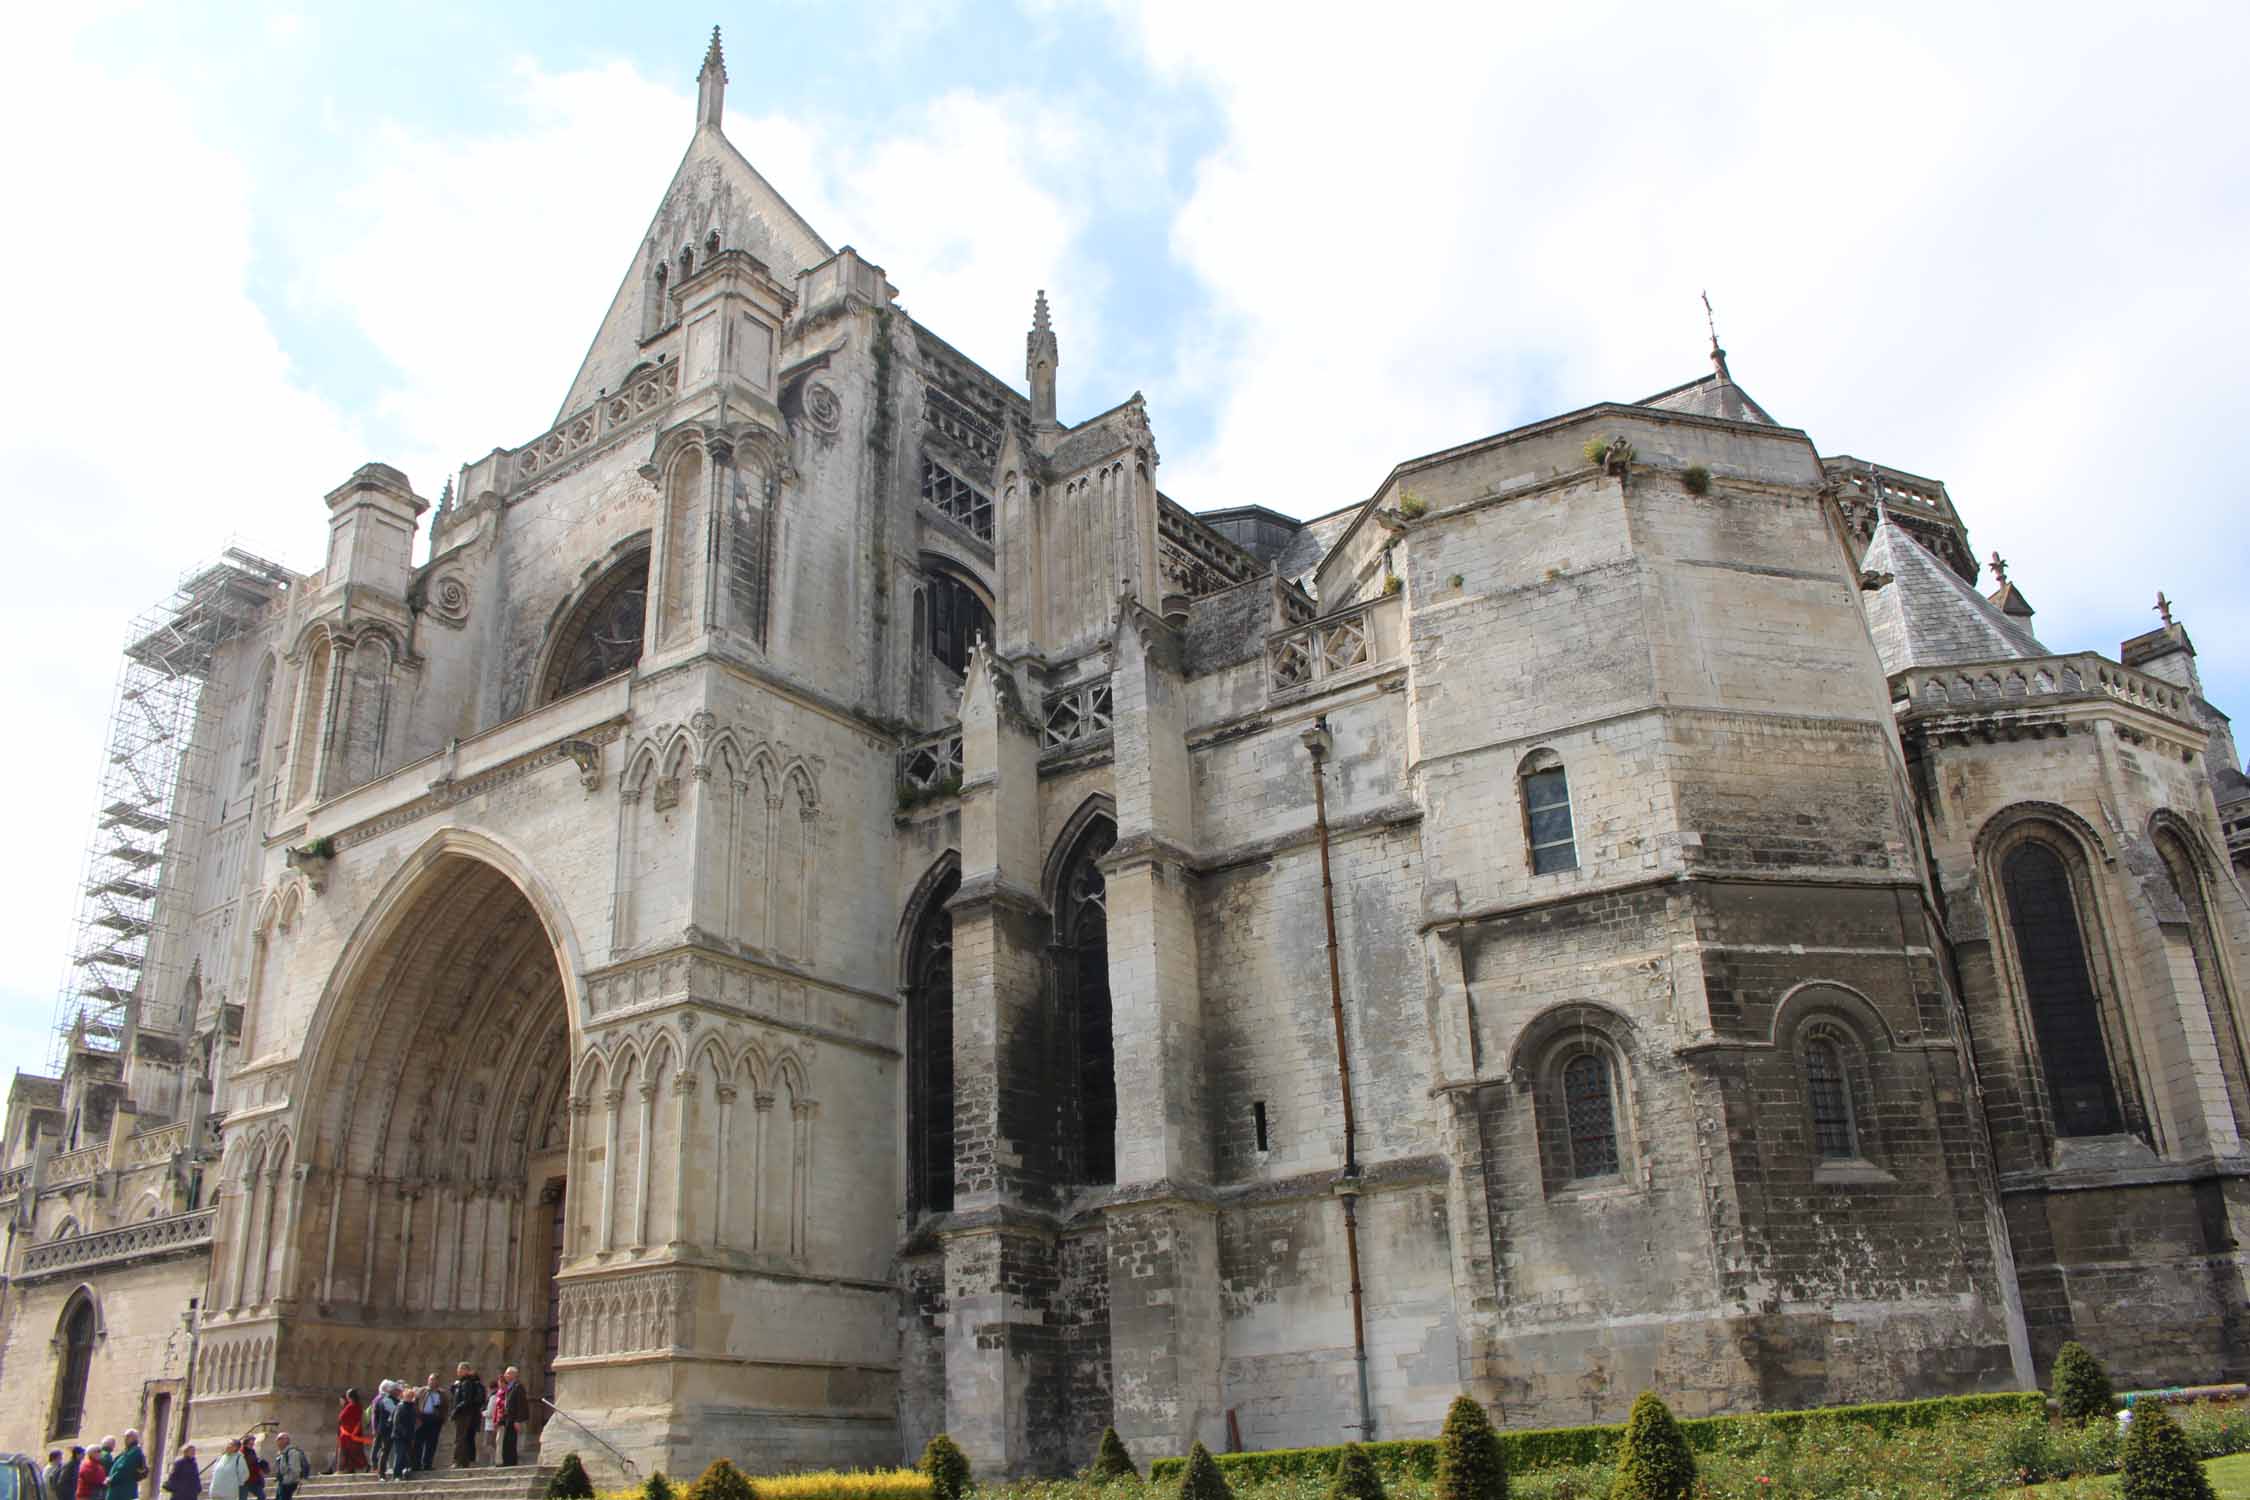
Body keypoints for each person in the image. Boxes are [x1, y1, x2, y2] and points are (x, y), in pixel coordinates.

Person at [447, 1364, 486, 1470]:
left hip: (463, 1414)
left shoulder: (466, 1383)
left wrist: (456, 1410)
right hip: (465, 1414)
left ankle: (458, 1461)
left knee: (460, 1438)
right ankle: (464, 1461)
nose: (457, 1371)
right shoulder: (463, 1383)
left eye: (460, 1369)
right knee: (463, 1438)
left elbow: (466, 1400)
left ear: (466, 1370)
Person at [490, 1367, 529, 1468]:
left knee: (511, 1441)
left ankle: (511, 1462)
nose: (505, 1375)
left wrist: (518, 1420)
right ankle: (507, 1462)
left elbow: (521, 1405)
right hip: (508, 1419)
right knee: (507, 1442)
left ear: (513, 1375)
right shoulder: (509, 1388)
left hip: (514, 1419)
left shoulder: (518, 1387)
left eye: (507, 1374)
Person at [336, 1390, 373, 1475]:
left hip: (350, 1433)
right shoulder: (356, 1406)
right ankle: (348, 1468)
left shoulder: (352, 1406)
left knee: (353, 1452)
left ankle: (363, 1466)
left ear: (350, 1397)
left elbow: (342, 1417)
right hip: (350, 1433)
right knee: (351, 1452)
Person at [387, 1389, 419, 1481]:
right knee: (399, 1454)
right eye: (408, 1396)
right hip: (399, 1436)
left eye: (411, 1396)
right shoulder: (400, 1407)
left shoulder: (412, 1407)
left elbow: (413, 1422)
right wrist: (404, 1433)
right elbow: (396, 1422)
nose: (410, 1398)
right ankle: (396, 1475)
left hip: (409, 1435)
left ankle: (404, 1471)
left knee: (406, 1455)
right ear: (404, 1396)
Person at [101, 1432, 145, 1500]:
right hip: (118, 1489)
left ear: (132, 1438)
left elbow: (124, 1468)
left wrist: (111, 1479)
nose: (124, 1439)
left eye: (126, 1437)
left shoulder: (134, 1452)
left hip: (122, 1491)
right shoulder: (129, 1450)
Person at [415, 1376, 446, 1471]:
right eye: (431, 1380)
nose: (432, 1382)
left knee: (431, 1443)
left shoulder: (442, 1394)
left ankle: (427, 1464)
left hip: (435, 1419)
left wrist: (442, 1418)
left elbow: (445, 1407)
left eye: (434, 1380)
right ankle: (416, 1464)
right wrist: (417, 1417)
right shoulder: (422, 1391)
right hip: (422, 1418)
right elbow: (415, 1403)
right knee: (418, 1442)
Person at [369, 1383, 399, 1479]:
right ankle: (381, 1473)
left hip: (391, 1429)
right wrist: (376, 1428)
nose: (399, 1392)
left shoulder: (395, 1401)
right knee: (385, 1451)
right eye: (397, 1390)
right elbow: (376, 1415)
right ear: (391, 1391)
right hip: (386, 1430)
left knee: (389, 1451)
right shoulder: (385, 1400)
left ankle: (394, 1471)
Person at [267, 1435, 308, 1500]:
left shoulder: (292, 1452)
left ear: (285, 1440)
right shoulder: (283, 1452)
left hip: (288, 1482)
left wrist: (288, 1481)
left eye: (279, 1439)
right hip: (283, 1482)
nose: (277, 1442)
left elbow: (295, 1469)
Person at [238, 1435, 265, 1500]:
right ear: (246, 1442)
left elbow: (255, 1464)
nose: (253, 1443)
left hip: (254, 1480)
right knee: (243, 1498)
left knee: (262, 1496)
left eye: (253, 1441)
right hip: (244, 1480)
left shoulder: (252, 1451)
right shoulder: (241, 1452)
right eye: (251, 1441)